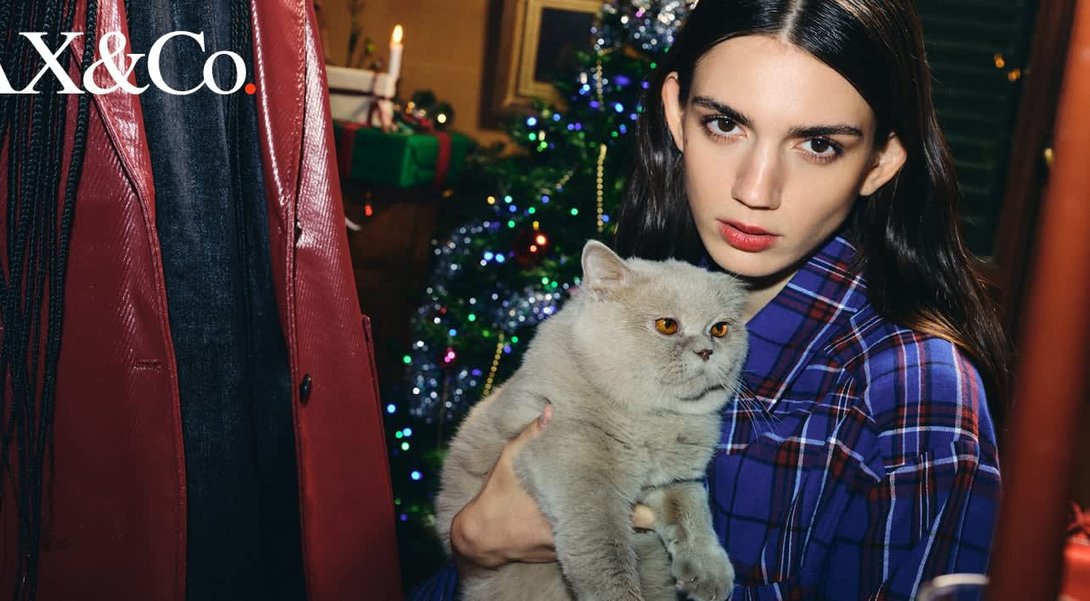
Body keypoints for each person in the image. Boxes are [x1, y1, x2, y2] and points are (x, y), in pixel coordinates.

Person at [426, 0, 1008, 599]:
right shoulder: (631, 304)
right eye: (725, 124)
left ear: (880, 161)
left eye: (817, 144)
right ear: (677, 114)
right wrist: (477, 550)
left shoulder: (915, 396)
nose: (755, 190)